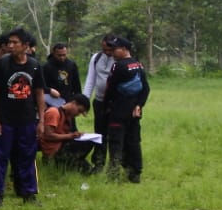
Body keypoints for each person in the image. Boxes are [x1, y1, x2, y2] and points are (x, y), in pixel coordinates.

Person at [0, 27, 47, 207]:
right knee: (1, 156)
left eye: (15, 43)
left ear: (25, 45)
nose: (11, 46)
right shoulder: (1, 65)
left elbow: (39, 94)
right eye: (9, 43)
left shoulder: (35, 65)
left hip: (28, 119)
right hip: (5, 119)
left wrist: (41, 121)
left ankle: (28, 192)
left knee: (28, 156)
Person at [102, 37, 150, 183]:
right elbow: (146, 88)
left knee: (116, 143)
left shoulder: (118, 66)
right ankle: (135, 174)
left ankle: (113, 175)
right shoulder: (138, 65)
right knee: (134, 141)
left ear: (124, 49)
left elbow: (110, 89)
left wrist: (105, 107)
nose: (112, 52)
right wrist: (139, 105)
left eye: (115, 49)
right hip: (134, 113)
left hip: (118, 112)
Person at [82, 35, 117, 173]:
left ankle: (115, 164)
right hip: (99, 102)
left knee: (114, 134)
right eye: (104, 49)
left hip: (115, 104)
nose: (107, 52)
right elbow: (91, 80)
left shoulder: (119, 59)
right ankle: (98, 163)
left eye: (109, 49)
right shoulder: (96, 58)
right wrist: (85, 102)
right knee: (99, 133)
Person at [40, 94, 99, 172]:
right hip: (54, 152)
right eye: (79, 111)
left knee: (90, 142)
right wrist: (70, 136)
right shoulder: (54, 112)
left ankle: (75, 163)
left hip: (62, 148)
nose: (78, 114)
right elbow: (48, 136)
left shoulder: (68, 116)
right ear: (73, 103)